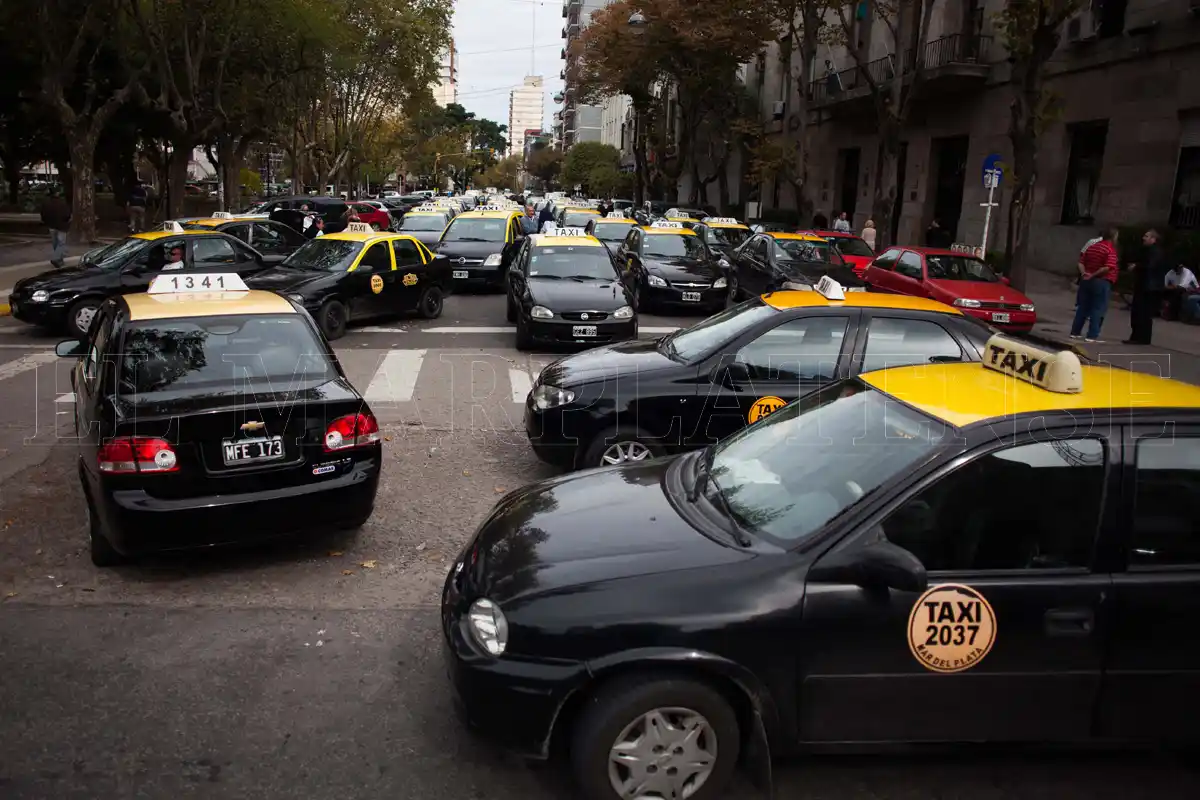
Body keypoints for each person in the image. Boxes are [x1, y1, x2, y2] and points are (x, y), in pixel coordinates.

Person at [1069, 228, 1119, 343]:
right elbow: (1107, 267)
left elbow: (1081, 262)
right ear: (1113, 237)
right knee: (1098, 308)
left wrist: (1084, 273)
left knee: (1083, 307)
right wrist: (1093, 275)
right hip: (1101, 281)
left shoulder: (1093, 247)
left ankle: (1075, 332)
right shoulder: (1109, 250)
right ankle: (1092, 335)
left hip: (1086, 281)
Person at [1125, 229, 1170, 344]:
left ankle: (1141, 337)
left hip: (1149, 287)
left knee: (1142, 312)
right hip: (1145, 285)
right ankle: (1137, 336)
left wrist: (1136, 266)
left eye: (1146, 236)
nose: (1143, 238)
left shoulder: (1155, 252)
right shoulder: (1148, 251)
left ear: (1153, 239)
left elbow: (1150, 266)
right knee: (1138, 312)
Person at [39, 187, 71, 269]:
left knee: (55, 243)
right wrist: (66, 220)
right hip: (62, 226)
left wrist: (46, 222)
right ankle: (56, 258)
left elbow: (43, 214)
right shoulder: (62, 203)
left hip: (51, 225)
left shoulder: (46, 203)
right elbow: (67, 214)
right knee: (61, 243)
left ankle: (59, 259)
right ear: (57, 193)